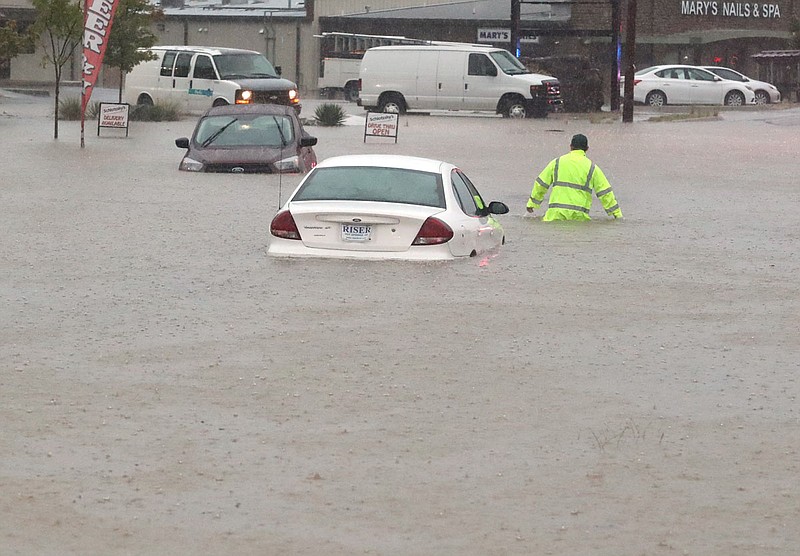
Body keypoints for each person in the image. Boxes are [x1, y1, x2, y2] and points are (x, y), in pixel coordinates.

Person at [526, 134, 623, 221]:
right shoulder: (592, 168)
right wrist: (617, 214)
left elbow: (541, 184)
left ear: (570, 147)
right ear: (587, 148)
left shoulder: (557, 163)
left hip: (555, 215)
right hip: (579, 218)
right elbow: (605, 193)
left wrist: (532, 204)